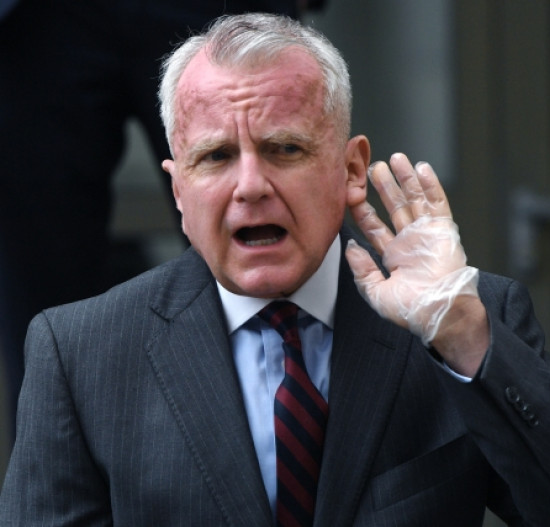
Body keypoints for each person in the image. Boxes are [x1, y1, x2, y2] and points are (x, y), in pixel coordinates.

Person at [0, 13, 550, 526]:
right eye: (217, 157)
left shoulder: (469, 318)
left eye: (284, 149)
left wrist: (462, 334)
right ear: (177, 188)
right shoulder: (80, 352)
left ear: (350, 169)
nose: (250, 185)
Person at [0, 0, 324, 446]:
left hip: (218, 7)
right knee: (40, 307)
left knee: (269, 265)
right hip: (34, 21)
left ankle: (296, 468)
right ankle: (59, 484)